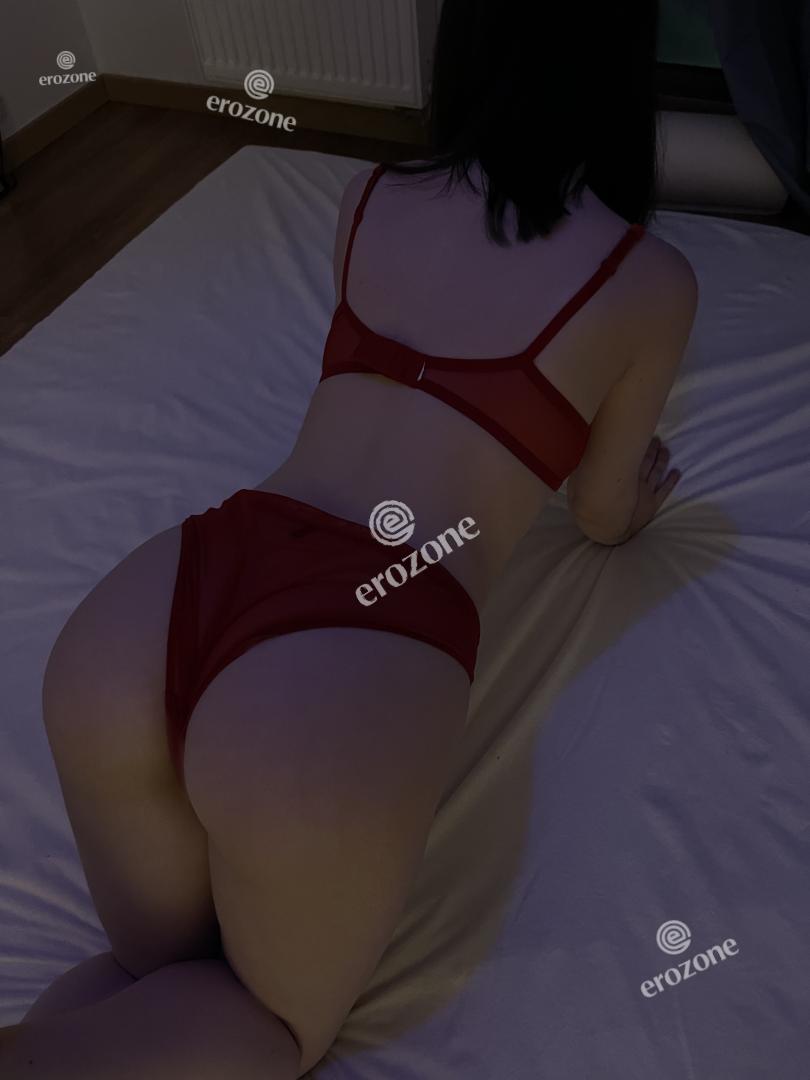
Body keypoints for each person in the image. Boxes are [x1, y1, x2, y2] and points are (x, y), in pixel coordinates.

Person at [0, 0, 698, 1076]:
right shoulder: (646, 280)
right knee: (266, 1032)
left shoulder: (367, 197)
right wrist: (633, 504)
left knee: (151, 989)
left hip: (154, 613)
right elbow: (602, 515)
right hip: (346, 652)